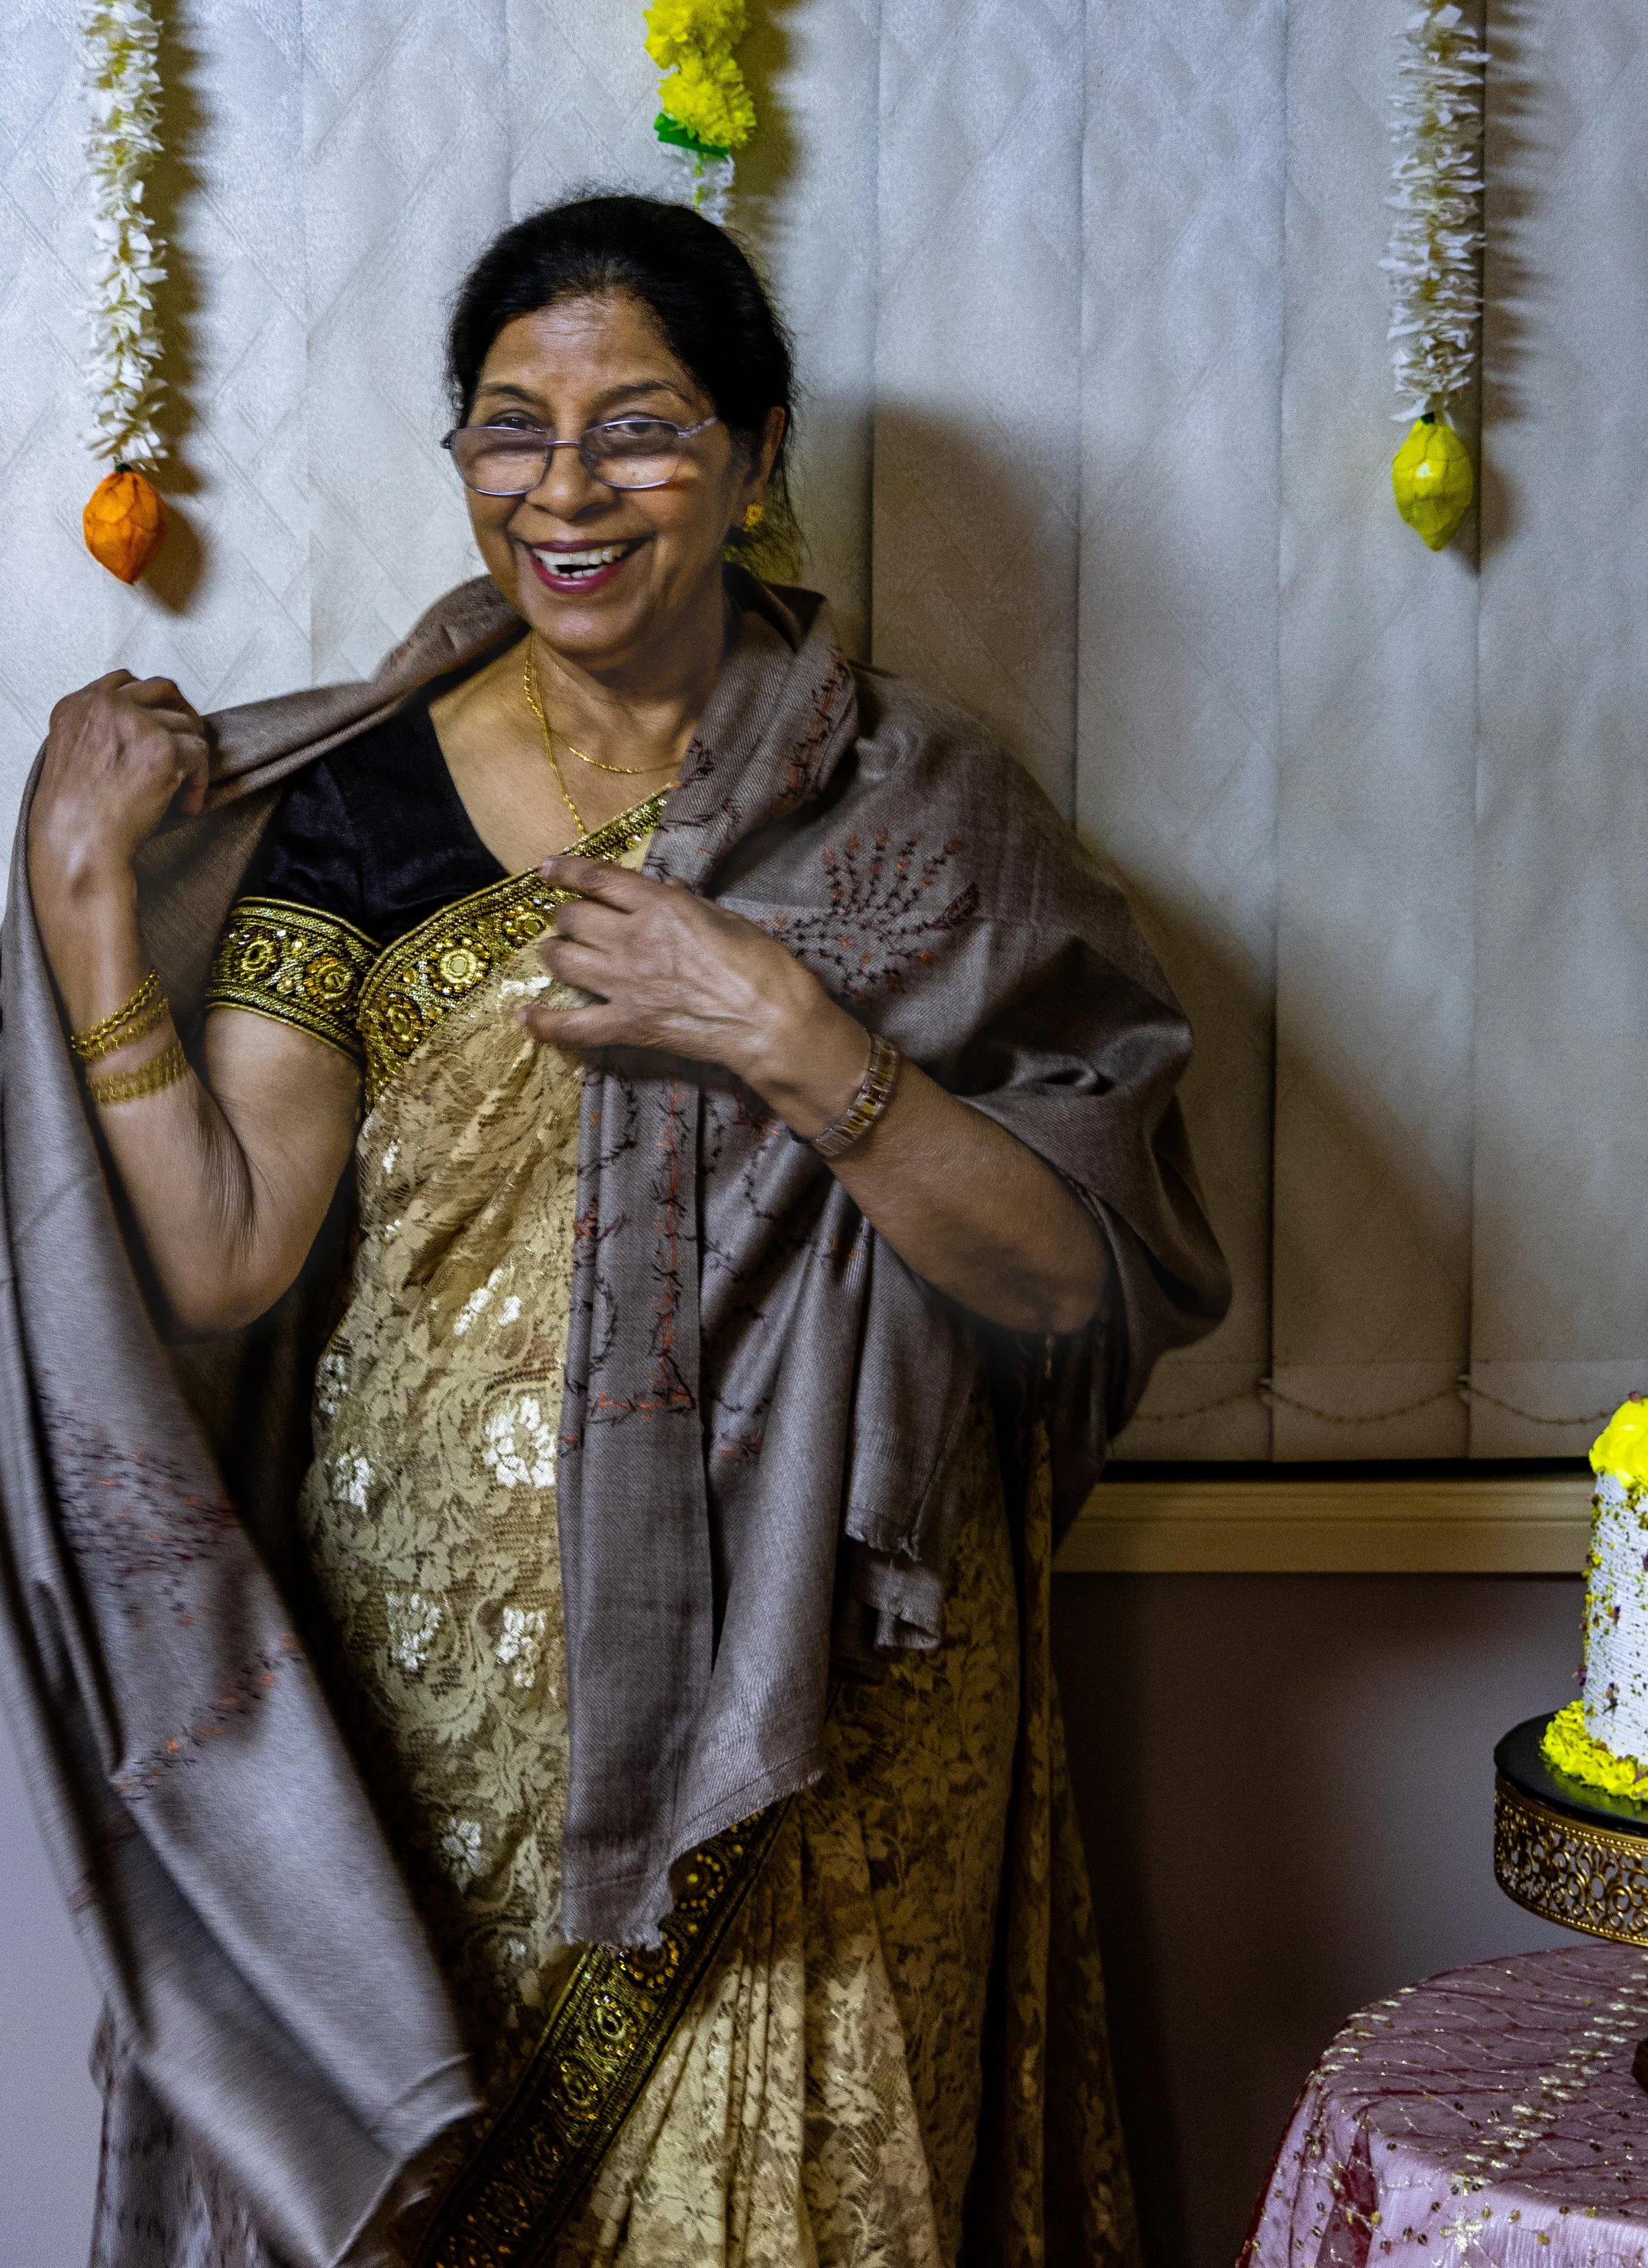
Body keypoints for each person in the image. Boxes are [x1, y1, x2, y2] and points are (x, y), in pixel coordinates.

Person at [11, 193, 1229, 2268]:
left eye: (639, 425)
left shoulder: (920, 812)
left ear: (757, 454)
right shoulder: (362, 807)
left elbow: (1068, 1282)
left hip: (816, 1724)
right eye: (511, 426)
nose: (566, 488)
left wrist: (783, 1026)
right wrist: (85, 906)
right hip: (436, 1723)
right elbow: (222, 1255)